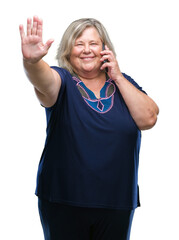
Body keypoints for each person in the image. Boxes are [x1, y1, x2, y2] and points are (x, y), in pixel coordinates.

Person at [19, 16, 159, 240]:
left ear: (105, 49)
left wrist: (118, 77)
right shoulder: (63, 80)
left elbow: (149, 119)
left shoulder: (124, 84)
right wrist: (32, 63)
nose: (86, 50)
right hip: (64, 200)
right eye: (79, 43)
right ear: (68, 50)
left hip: (117, 201)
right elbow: (43, 80)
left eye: (93, 43)